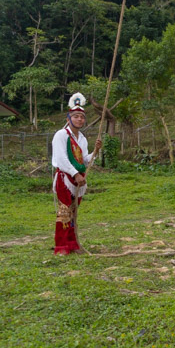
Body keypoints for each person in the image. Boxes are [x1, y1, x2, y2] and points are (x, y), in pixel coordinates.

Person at [51, 93, 102, 255]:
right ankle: (62, 246)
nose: (79, 119)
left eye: (82, 117)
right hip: (65, 179)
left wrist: (96, 151)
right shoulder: (61, 135)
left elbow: (84, 160)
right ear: (68, 118)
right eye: (76, 116)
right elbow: (61, 159)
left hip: (78, 181)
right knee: (65, 212)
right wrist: (75, 174)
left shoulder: (83, 139)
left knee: (74, 212)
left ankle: (73, 244)